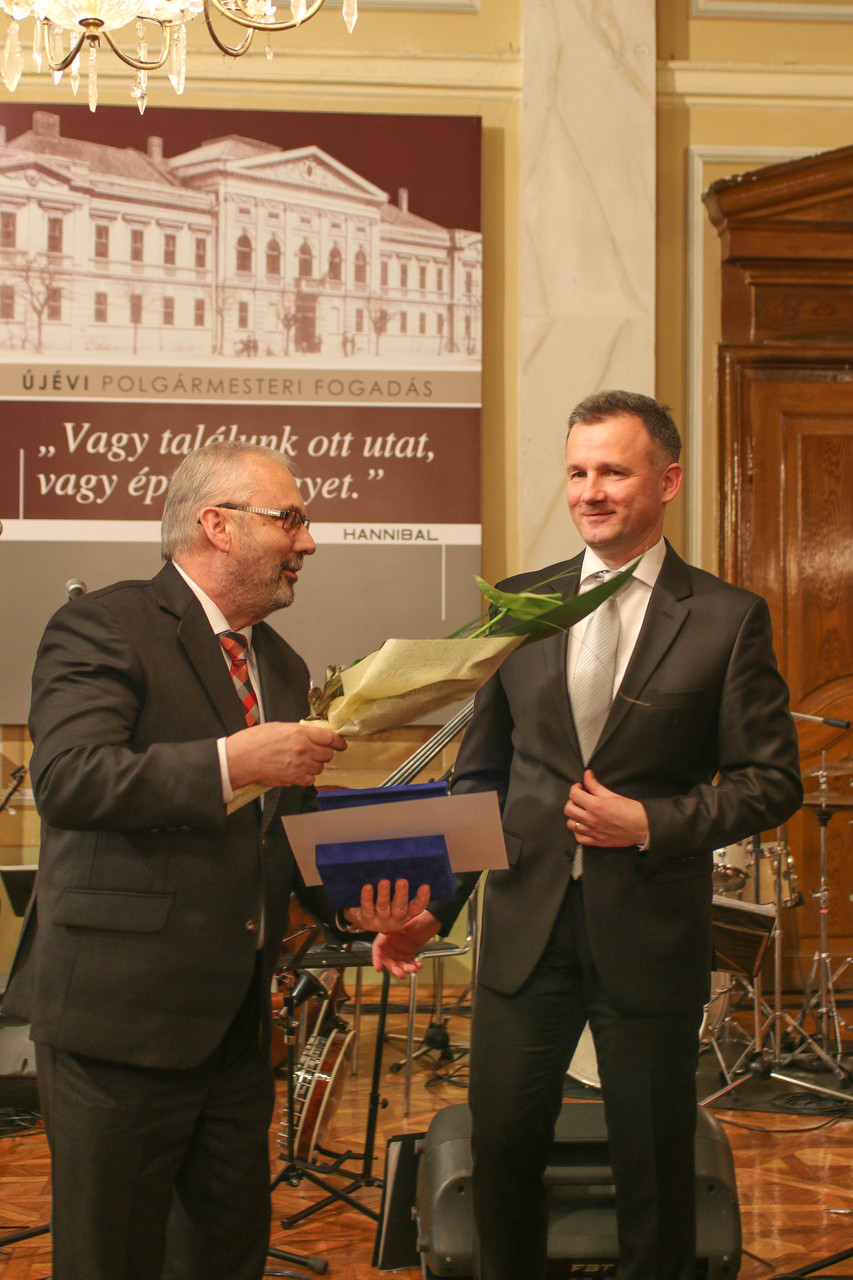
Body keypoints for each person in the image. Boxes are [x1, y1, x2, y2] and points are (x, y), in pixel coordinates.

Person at [373, 390, 803, 1280]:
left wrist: (651, 822)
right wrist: (433, 908)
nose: (589, 491)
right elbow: (480, 780)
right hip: (523, 929)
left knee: (653, 1165)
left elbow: (771, 783)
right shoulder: (518, 605)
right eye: (576, 472)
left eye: (612, 471)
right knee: (501, 1154)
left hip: (649, 931)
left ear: (666, 481)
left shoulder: (725, 617)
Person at [2, 440, 429, 1280]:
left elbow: (284, 827)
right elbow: (71, 780)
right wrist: (234, 761)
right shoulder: (104, 625)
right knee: (112, 1258)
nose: (308, 542)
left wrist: (357, 909)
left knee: (225, 1253)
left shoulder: (280, 663)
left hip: (236, 1030)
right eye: (290, 520)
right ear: (217, 525)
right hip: (120, 1023)